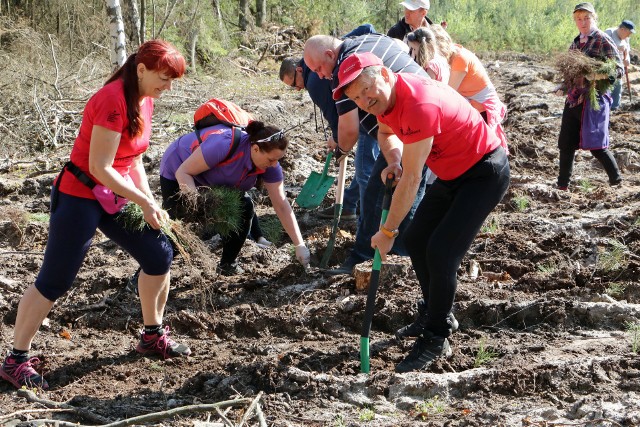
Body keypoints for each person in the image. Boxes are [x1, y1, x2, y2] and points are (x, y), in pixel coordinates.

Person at [0, 40, 190, 390]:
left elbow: (130, 159)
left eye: (173, 80)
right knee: (55, 278)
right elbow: (100, 167)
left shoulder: (145, 99)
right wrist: (143, 202)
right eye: (164, 78)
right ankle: (15, 359)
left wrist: (149, 200)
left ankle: (152, 334)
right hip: (80, 195)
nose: (168, 86)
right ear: (141, 70)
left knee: (159, 254)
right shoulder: (112, 100)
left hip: (115, 194)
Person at [333, 52, 510, 372]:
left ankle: (437, 336)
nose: (363, 101)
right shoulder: (384, 102)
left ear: (385, 75)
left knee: (442, 253)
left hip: (484, 172)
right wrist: (394, 160)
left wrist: (386, 232)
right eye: (355, 97)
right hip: (453, 173)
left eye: (366, 90)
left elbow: (413, 180)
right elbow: (387, 135)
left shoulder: (418, 104)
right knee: (416, 240)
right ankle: (436, 312)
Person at [303, 33, 431, 275]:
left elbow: (350, 130)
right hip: (406, 122)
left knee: (385, 195)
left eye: (319, 68)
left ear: (331, 54)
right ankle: (387, 257)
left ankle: (374, 260)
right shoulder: (369, 38)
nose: (319, 75)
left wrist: (341, 148)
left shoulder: (346, 69)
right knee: (391, 192)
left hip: (415, 120)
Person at [159, 120, 310, 276]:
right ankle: (147, 273)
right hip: (179, 168)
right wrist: (197, 206)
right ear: (256, 148)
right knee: (181, 227)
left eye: (278, 160)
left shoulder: (270, 166)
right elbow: (183, 172)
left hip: (215, 180)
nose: (274, 165)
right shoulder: (223, 145)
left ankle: (228, 264)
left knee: (244, 207)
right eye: (271, 159)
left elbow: (281, 205)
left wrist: (299, 244)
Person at [279, 56, 379, 225]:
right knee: (365, 165)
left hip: (364, 118)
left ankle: (371, 221)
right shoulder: (318, 70)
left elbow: (332, 113)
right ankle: (348, 205)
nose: (297, 89)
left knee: (364, 172)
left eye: (294, 83)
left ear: (299, 70)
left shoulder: (313, 81)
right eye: (292, 88)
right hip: (365, 114)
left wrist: (338, 138)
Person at [556, 2, 623, 190]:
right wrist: (562, 85)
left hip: (594, 100)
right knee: (566, 143)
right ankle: (562, 186)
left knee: (597, 146)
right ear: (575, 21)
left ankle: (616, 181)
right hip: (574, 99)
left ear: (594, 18)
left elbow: (618, 70)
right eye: (579, 19)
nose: (583, 22)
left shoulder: (602, 39)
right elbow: (570, 72)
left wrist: (597, 76)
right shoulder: (577, 42)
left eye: (587, 18)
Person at [430, 24, 508, 149]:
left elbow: (448, 93)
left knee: (484, 148)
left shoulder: (459, 58)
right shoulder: (452, 54)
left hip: (482, 107)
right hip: (471, 103)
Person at [604, 20, 635, 110]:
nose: (629, 36)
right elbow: (603, 47)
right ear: (622, 29)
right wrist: (616, 47)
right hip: (607, 66)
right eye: (628, 33)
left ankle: (614, 109)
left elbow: (627, 51)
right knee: (607, 87)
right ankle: (605, 108)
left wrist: (627, 59)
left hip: (619, 68)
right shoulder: (609, 33)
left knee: (618, 87)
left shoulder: (626, 38)